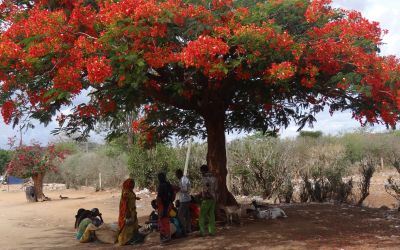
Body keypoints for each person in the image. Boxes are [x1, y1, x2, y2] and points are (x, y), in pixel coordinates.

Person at [117, 178, 144, 245]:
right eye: (132, 184)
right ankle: (124, 240)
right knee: (128, 226)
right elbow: (124, 203)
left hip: (133, 211)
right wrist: (127, 212)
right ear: (128, 184)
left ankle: (133, 238)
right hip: (129, 212)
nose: (133, 185)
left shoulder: (130, 191)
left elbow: (130, 198)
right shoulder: (126, 192)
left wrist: (135, 198)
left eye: (133, 184)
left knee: (134, 225)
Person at [199, 164, 217, 237]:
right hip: (213, 198)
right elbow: (216, 189)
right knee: (211, 215)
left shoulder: (204, 178)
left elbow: (206, 189)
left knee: (202, 216)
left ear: (203, 171)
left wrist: (203, 196)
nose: (201, 173)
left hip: (206, 199)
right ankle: (212, 232)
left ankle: (202, 232)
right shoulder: (214, 178)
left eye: (201, 171)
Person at [156, 172, 174, 243]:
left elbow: (159, 197)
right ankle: (168, 236)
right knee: (166, 220)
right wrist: (170, 202)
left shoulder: (161, 186)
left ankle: (164, 237)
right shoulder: (168, 184)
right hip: (168, 205)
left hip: (162, 205)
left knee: (162, 220)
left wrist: (157, 205)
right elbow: (173, 194)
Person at [175, 169, 192, 236]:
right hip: (185, 199)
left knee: (180, 215)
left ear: (179, 174)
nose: (176, 176)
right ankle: (188, 229)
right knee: (187, 215)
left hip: (185, 200)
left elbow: (185, 189)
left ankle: (184, 230)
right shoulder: (183, 179)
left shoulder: (183, 180)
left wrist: (177, 188)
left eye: (176, 174)